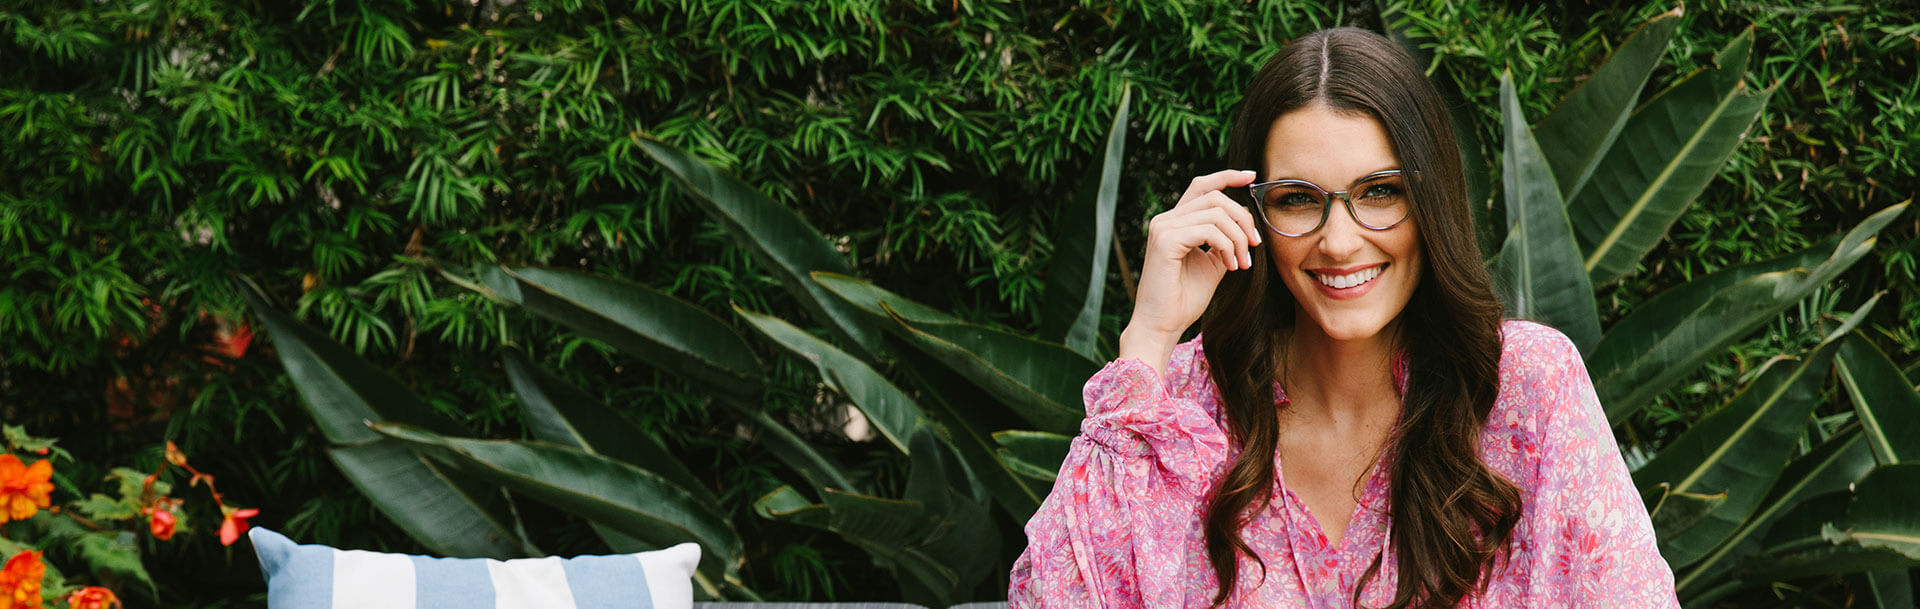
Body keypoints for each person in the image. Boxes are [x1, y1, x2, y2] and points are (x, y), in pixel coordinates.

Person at [1007, 27, 1678, 608]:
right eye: (1300, 199)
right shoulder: (1180, 406)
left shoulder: (1525, 387)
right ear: (1254, 211)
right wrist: (1147, 342)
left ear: (1431, 199)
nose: (1339, 241)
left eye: (1379, 192)